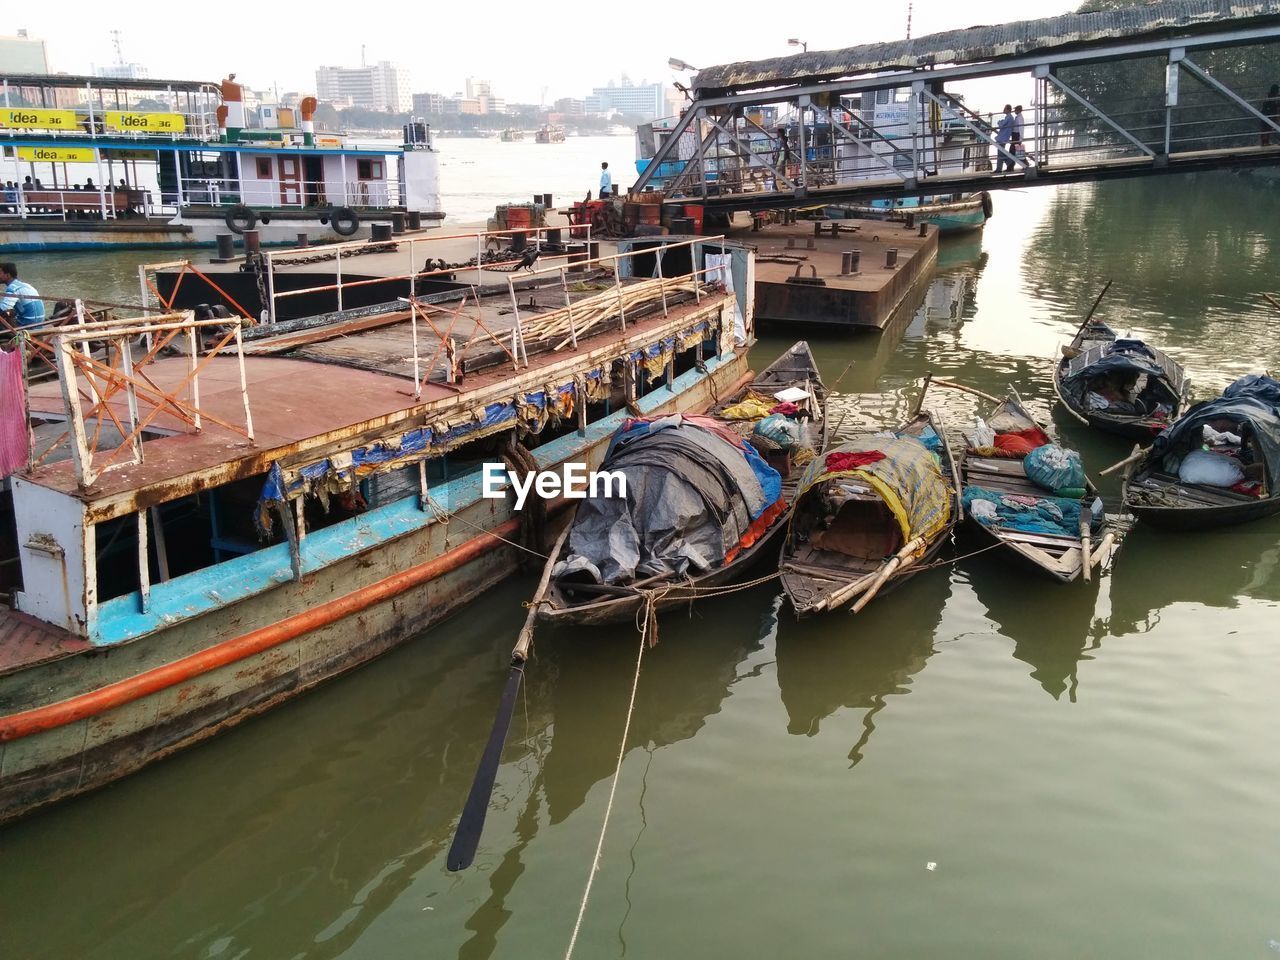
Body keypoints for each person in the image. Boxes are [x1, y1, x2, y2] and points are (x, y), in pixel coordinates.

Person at [0, 262, 46, 329]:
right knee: (9, 312)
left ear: (7, 275)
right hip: (38, 324)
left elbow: (2, 310)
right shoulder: (26, 285)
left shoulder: (13, 288)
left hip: (27, 325)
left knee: (5, 315)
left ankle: (13, 335)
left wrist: (6, 313)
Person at [994, 104, 1015, 172]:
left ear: (1008, 110)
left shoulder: (1008, 117)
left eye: (1005, 109)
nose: (1003, 110)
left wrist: (999, 122)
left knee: (1000, 154)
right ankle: (1008, 164)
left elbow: (1001, 125)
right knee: (1001, 153)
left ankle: (1009, 163)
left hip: (1002, 138)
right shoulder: (1010, 117)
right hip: (1004, 137)